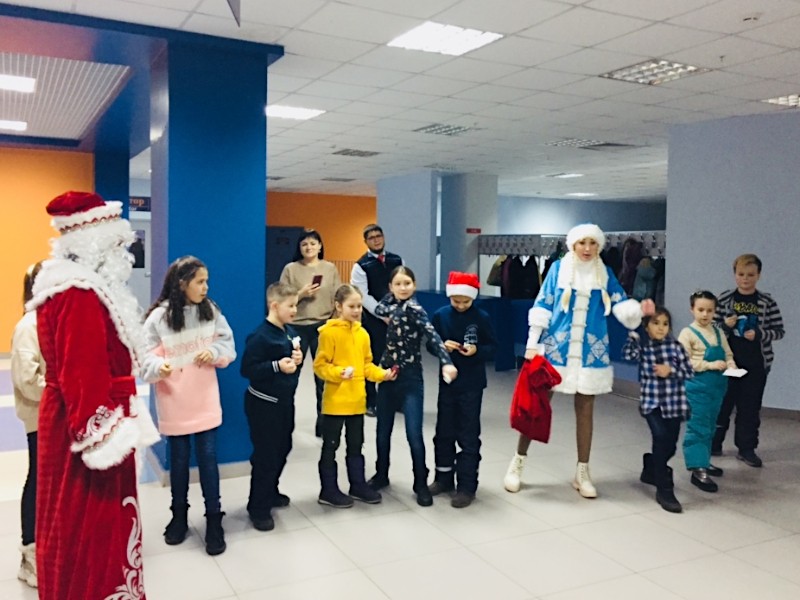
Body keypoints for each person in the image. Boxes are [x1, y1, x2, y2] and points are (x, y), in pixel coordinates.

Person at [27, 191, 160, 600]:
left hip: (78, 419)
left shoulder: (74, 288)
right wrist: (104, 435)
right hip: (90, 430)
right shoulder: (79, 293)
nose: (124, 252)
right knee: (91, 529)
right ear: (94, 242)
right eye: (117, 243)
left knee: (78, 526)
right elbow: (82, 375)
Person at [504, 223, 654, 499]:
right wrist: (533, 343)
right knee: (536, 407)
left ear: (599, 246)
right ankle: (518, 462)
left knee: (585, 411)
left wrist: (638, 310)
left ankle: (582, 471)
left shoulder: (604, 273)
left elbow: (620, 303)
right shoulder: (557, 270)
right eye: (582, 243)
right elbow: (542, 304)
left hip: (590, 352)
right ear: (573, 245)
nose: (587, 248)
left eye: (593, 243)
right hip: (556, 350)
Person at [141, 256, 236, 556]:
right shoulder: (159, 317)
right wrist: (159, 366)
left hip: (204, 399)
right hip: (174, 401)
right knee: (179, 461)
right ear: (182, 284)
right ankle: (179, 516)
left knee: (208, 459)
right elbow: (143, 356)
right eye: (200, 282)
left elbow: (228, 344)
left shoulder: (211, 311)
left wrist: (214, 352)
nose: (206, 287)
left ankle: (214, 519)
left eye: (207, 281)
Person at [368, 266, 458, 507]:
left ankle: (420, 483)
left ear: (414, 285)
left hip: (410, 379)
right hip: (387, 376)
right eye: (397, 284)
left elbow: (433, 336)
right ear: (391, 287)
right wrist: (392, 301)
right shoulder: (390, 306)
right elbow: (378, 308)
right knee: (382, 431)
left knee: (414, 434)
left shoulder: (416, 310)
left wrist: (447, 362)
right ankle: (381, 474)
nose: (403, 288)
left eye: (407, 283)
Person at [313, 284, 396, 508]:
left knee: (356, 445)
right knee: (331, 446)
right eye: (352, 306)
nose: (357, 310)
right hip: (335, 403)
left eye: (359, 306)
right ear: (338, 306)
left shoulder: (363, 334)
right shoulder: (328, 333)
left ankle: (358, 485)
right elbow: (320, 366)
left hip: (357, 402)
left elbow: (367, 365)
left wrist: (382, 374)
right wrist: (338, 373)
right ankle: (328, 490)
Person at [426, 272, 496, 508]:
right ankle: (443, 478)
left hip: (472, 385)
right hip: (447, 383)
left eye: (465, 301)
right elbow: (430, 344)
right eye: (456, 301)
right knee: (443, 432)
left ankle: (467, 486)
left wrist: (478, 351)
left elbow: (493, 347)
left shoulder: (482, 317)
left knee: (468, 434)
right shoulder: (441, 315)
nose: (460, 305)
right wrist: (441, 346)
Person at [240, 282, 303, 532]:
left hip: (285, 403)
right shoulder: (260, 336)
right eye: (291, 306)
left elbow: (291, 363)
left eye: (296, 305)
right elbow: (248, 369)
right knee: (265, 456)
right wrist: (277, 366)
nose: (295, 310)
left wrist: (297, 359)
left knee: (283, 447)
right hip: (263, 404)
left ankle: (271, 490)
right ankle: (258, 508)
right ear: (274, 306)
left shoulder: (288, 332)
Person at [713, 254, 785, 467]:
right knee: (722, 405)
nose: (745, 279)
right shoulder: (725, 299)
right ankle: (714, 443)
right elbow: (711, 329)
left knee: (750, 408)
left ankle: (746, 449)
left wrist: (760, 334)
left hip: (756, 365)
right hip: (728, 363)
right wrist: (725, 326)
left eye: (751, 275)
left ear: (758, 276)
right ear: (735, 275)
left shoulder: (767, 302)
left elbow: (779, 331)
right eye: (741, 274)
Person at [622, 307, 693, 513]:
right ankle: (664, 488)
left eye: (665, 324)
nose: (661, 328)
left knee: (669, 447)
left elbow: (689, 371)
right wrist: (633, 334)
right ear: (647, 327)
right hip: (652, 404)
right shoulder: (644, 349)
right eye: (655, 323)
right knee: (660, 436)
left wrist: (671, 370)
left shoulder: (677, 347)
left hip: (674, 404)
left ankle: (650, 466)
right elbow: (628, 354)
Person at [280, 229, 340, 437]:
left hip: (322, 326)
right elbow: (282, 299)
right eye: (304, 244)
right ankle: (284, 424)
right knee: (291, 375)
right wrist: (301, 294)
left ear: (320, 246)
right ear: (299, 247)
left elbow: (338, 296)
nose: (309, 247)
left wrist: (334, 321)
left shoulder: (329, 268)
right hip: (296, 327)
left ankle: (323, 426)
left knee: (323, 378)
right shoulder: (291, 269)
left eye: (313, 243)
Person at [678, 291, 737, 493]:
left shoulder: (718, 332)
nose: (705, 314)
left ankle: (704, 460)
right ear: (692, 310)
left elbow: (728, 353)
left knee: (711, 425)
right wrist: (709, 365)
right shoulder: (687, 334)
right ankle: (697, 468)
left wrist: (731, 363)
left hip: (717, 387)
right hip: (697, 388)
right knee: (698, 426)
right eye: (701, 309)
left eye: (709, 310)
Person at [10, 261, 45, 588]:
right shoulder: (28, 326)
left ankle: (48, 544)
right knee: (37, 477)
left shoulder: (53, 320)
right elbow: (28, 380)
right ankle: (29, 553)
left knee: (52, 481)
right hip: (40, 417)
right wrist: (60, 393)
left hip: (58, 416)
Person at [350, 224, 403, 417]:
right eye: (371, 237)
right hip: (372, 321)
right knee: (371, 360)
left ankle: (393, 400)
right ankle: (370, 401)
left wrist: (398, 312)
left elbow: (402, 286)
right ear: (365, 242)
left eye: (378, 236)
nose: (376, 240)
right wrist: (383, 315)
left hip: (396, 318)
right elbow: (363, 295)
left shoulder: (397, 260)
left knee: (396, 359)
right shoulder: (361, 265)